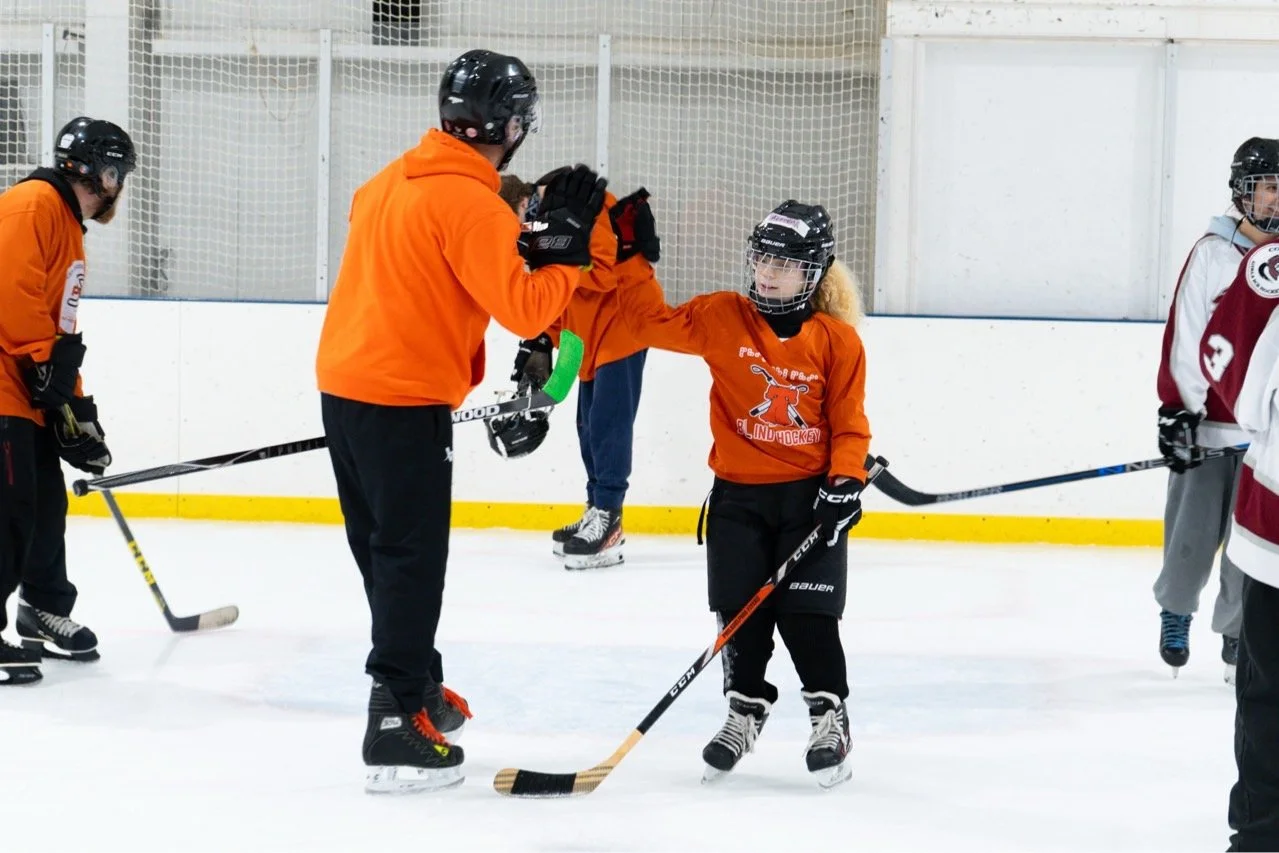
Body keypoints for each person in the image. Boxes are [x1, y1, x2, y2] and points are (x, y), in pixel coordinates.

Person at [315, 48, 609, 793]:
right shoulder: (469, 202)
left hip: (345, 387)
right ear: (510, 126)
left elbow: (441, 271)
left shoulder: (387, 181)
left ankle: (414, 689)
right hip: (402, 397)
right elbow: (527, 306)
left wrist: (533, 239)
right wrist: (567, 253)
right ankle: (392, 723)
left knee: (384, 553)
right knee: (412, 559)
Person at [617, 200, 870, 788]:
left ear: (813, 273)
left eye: (782, 264)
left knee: (808, 619)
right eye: (761, 259)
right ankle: (743, 710)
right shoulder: (722, 316)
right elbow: (642, 322)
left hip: (807, 501)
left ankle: (830, 716)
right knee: (738, 618)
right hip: (738, 501)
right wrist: (629, 261)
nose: (766, 273)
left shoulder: (837, 342)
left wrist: (845, 484)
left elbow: (850, 425)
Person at [0, 116, 132, 686]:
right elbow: (11, 291)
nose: (119, 188)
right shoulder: (32, 204)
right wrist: (43, 369)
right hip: (5, 386)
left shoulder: (67, 222)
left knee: (44, 506)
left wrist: (76, 412)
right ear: (103, 174)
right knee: (7, 513)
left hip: (25, 387)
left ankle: (43, 609)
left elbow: (61, 329)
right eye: (118, 176)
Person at [1153, 137, 1279, 682]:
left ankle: (1235, 635)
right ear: (1243, 191)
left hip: (1264, 438)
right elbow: (1186, 338)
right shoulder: (1211, 253)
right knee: (1192, 532)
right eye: (1270, 187)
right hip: (1207, 431)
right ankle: (1176, 610)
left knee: (1248, 546)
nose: (1278, 200)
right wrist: (1177, 409)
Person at [497, 173, 661, 569]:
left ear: (521, 205)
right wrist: (541, 344)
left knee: (608, 424)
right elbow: (560, 290)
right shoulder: (535, 230)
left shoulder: (582, 202)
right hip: (585, 333)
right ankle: (597, 509)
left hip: (623, 324)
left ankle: (609, 519)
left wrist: (558, 254)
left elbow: (605, 272)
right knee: (587, 426)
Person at [1198, 215, 1279, 852]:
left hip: (1274, 527)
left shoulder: (1269, 265)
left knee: (1268, 691)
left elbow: (1235, 385)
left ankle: (1260, 834)